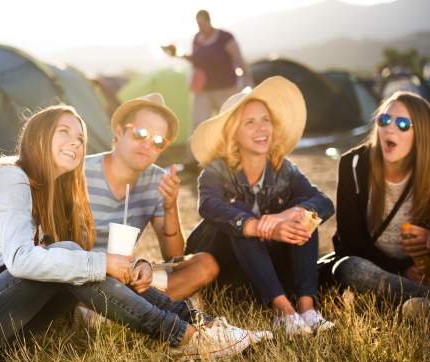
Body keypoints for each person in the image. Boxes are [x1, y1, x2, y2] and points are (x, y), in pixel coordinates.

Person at [0, 104, 270, 361]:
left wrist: (129, 263)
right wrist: (103, 261)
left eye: (80, 138)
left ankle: (202, 325)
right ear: (39, 135)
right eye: (65, 132)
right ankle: (186, 336)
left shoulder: (48, 190)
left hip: (9, 328)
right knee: (72, 256)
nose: (75, 143)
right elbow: (21, 261)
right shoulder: (10, 177)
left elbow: (65, 262)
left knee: (73, 259)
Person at [187, 77, 336, 336]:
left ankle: (306, 308)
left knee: (305, 211)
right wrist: (260, 227)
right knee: (241, 212)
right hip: (230, 276)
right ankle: (283, 312)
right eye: (250, 122)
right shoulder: (216, 171)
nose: (261, 128)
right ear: (234, 132)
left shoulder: (285, 169)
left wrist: (292, 213)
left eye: (265, 120)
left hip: (275, 272)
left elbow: (323, 202)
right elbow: (208, 206)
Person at [76, 93, 220, 327]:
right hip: (83, 273)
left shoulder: (158, 180)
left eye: (158, 141)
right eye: (140, 133)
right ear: (120, 132)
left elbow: (172, 255)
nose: (147, 144)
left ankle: (111, 313)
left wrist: (170, 206)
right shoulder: (79, 173)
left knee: (205, 264)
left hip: (127, 277)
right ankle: (146, 308)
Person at [332, 91, 430, 308]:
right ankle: (420, 301)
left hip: (423, 274)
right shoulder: (354, 165)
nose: (390, 128)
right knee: (347, 268)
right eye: (384, 120)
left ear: (421, 132)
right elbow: (351, 242)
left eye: (403, 124)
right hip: (378, 273)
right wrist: (403, 269)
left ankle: (418, 305)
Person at [167, 10, 253, 163]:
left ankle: (236, 157)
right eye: (198, 24)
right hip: (203, 89)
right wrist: (178, 54)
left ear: (209, 21)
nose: (200, 27)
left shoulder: (225, 37)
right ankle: (195, 161)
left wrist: (248, 81)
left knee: (229, 123)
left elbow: (239, 59)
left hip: (226, 88)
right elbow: (196, 60)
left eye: (202, 23)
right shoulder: (197, 39)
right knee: (198, 124)